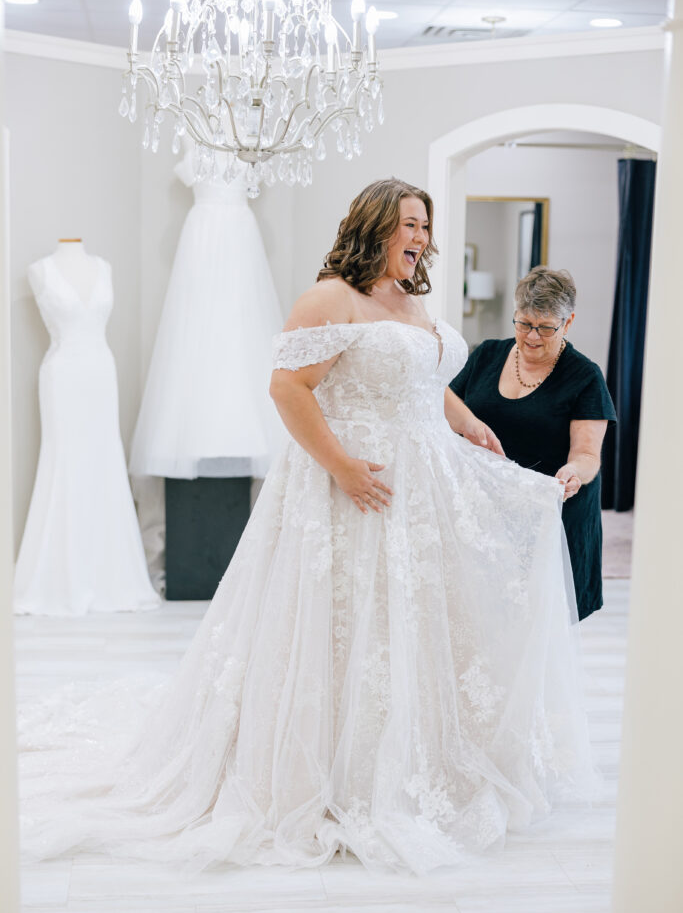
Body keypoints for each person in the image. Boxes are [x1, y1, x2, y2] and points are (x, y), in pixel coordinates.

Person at [19, 181, 597, 875]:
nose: (419, 235)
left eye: (424, 225)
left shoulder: (409, 297)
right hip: (352, 487)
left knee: (410, 628)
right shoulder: (330, 297)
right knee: (343, 627)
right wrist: (344, 468)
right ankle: (324, 771)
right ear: (376, 226)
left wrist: (467, 421)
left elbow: (417, 379)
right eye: (408, 223)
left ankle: (412, 761)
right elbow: (287, 388)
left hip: (422, 486)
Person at [450, 267, 616, 620]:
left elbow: (587, 455)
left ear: (567, 323)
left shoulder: (585, 377)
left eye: (545, 327)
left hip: (549, 517)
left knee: (538, 624)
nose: (532, 337)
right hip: (487, 512)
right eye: (524, 324)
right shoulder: (487, 355)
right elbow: (447, 408)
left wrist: (572, 472)